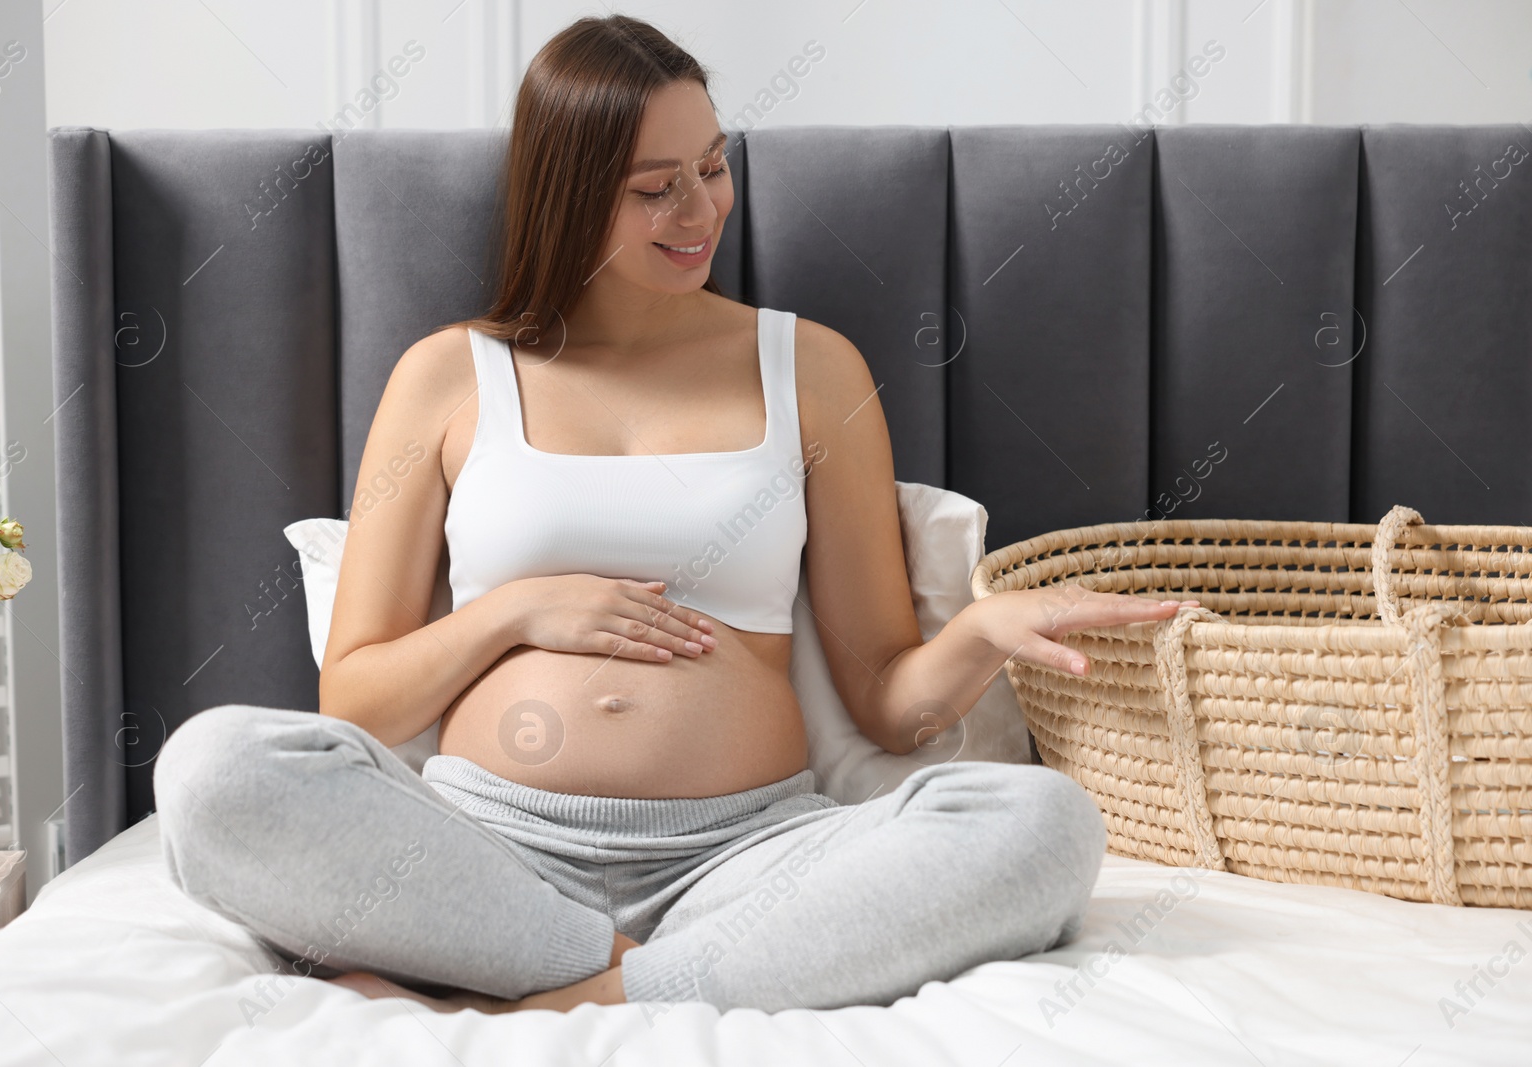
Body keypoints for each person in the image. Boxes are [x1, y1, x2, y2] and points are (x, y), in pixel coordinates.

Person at [152, 13, 1199, 1016]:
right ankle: (619, 963)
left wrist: (974, 636)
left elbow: (885, 703)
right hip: (483, 849)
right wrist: (514, 612)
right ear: (565, 196)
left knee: (1043, 824)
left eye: (712, 167)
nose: (701, 213)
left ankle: (567, 990)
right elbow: (356, 699)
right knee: (210, 773)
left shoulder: (812, 369)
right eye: (656, 189)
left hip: (749, 857)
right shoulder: (446, 376)